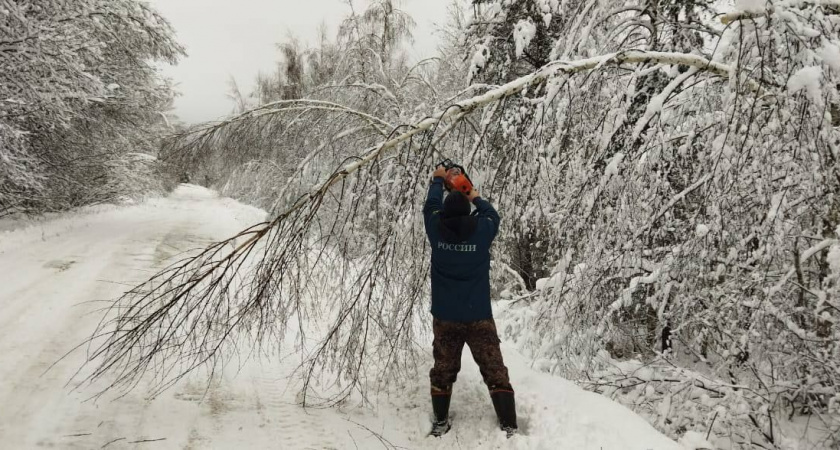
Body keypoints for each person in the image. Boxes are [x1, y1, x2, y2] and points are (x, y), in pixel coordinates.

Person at [422, 165, 517, 438]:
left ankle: (441, 422)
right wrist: (471, 192)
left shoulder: (436, 231)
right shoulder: (483, 231)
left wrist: (437, 180)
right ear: (468, 213)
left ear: (445, 214)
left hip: (446, 316)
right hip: (478, 316)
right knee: (494, 369)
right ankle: (509, 425)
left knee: (443, 369)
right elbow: (491, 213)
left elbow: (430, 206)